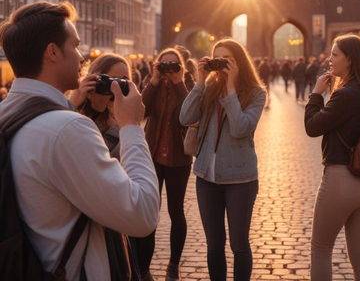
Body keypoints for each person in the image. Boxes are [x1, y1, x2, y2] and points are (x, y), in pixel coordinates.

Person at [0, 1, 159, 279]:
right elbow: (143, 214)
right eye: (75, 46)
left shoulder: (5, 112)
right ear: (52, 52)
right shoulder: (67, 128)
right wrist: (132, 125)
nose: (82, 57)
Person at [305, 34, 360, 281]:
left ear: (350, 59)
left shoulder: (346, 95)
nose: (329, 59)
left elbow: (312, 126)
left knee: (320, 249)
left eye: (334, 54)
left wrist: (316, 94)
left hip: (342, 179)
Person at [180, 38, 267, 281]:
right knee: (214, 245)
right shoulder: (209, 88)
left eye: (227, 59)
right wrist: (199, 81)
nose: (222, 65)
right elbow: (185, 117)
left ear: (239, 62)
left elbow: (241, 128)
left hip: (240, 178)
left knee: (239, 245)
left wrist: (230, 89)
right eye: (218, 58)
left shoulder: (256, 93)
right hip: (206, 177)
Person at [70, 53, 140, 280]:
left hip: (112, 216)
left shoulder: (127, 118)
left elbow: (127, 167)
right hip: (78, 217)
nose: (116, 89)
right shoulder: (75, 111)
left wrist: (128, 124)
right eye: (111, 82)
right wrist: (77, 101)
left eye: (124, 81)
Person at [137, 48, 193, 281]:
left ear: (181, 66)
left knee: (176, 211)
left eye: (173, 65)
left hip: (178, 159)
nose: (169, 69)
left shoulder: (188, 86)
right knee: (149, 211)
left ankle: (173, 264)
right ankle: (143, 267)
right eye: (164, 64)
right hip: (152, 156)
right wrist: (153, 80)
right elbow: (140, 110)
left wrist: (179, 82)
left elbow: (190, 114)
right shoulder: (155, 85)